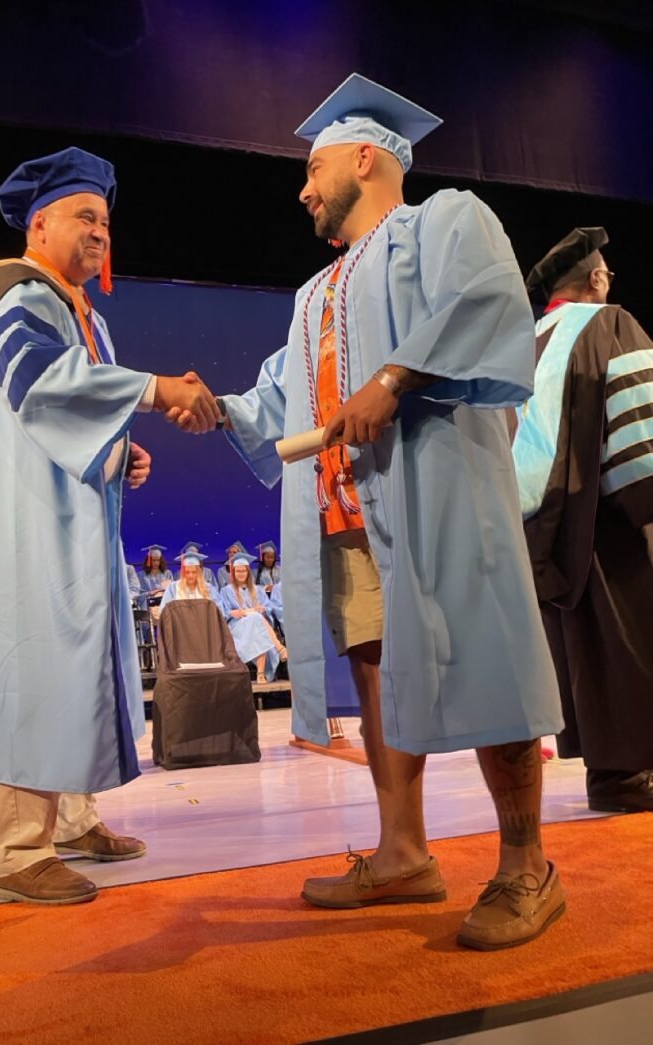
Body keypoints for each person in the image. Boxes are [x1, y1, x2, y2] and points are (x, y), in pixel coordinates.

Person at [180, 73, 565, 949]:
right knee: (378, 671)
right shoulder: (313, 294)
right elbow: (285, 400)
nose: (303, 188)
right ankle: (403, 854)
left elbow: (484, 302)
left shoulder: (442, 221)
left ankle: (527, 866)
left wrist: (393, 378)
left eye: (313, 168)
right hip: (351, 512)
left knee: (481, 659)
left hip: (438, 492)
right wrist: (218, 407)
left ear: (366, 157)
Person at [0, 146, 219, 905]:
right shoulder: (16, 293)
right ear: (39, 222)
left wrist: (119, 450)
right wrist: (157, 392)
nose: (100, 232)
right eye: (83, 217)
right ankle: (19, 849)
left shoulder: (75, 307)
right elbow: (40, 386)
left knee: (82, 660)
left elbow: (77, 412)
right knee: (38, 663)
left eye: (104, 219)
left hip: (71, 514)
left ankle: (73, 821)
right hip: (32, 523)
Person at [514, 226, 653, 813]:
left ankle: (612, 775)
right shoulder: (609, 323)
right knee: (629, 637)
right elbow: (639, 434)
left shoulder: (523, 347)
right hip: (612, 522)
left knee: (585, 646)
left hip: (546, 532)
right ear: (596, 279)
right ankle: (629, 771)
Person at [220, 553, 286, 684]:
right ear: (233, 572)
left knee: (256, 619)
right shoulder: (226, 591)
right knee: (257, 620)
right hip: (237, 627)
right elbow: (224, 612)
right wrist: (234, 613)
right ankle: (279, 649)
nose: (241, 573)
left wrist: (263, 609)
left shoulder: (257, 590)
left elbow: (268, 607)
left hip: (256, 626)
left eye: (243, 570)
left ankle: (261, 673)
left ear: (248, 572)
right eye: (238, 571)